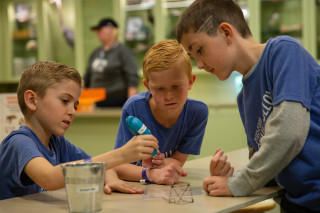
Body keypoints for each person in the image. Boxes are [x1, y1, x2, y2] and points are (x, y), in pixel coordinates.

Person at [176, 0, 320, 212]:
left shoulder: (284, 52)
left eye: (200, 50)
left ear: (226, 33)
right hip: (298, 202)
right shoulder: (244, 97)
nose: (200, 65)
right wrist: (229, 179)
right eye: (193, 56)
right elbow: (268, 168)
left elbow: (289, 132)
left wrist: (239, 183)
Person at [0, 61, 159, 200]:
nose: (72, 111)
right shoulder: (19, 142)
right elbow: (49, 178)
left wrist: (111, 180)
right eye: (65, 101)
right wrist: (122, 154)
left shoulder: (57, 142)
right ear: (32, 100)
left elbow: (97, 165)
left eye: (75, 105)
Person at [114, 39, 209, 185]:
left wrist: (158, 165)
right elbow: (117, 166)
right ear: (148, 86)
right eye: (159, 89)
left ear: (190, 81)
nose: (169, 96)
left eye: (176, 86)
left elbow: (178, 160)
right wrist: (150, 173)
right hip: (134, 188)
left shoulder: (197, 113)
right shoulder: (133, 108)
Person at [83, 18, 139, 107]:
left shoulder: (123, 52)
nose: (97, 33)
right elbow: (86, 79)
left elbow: (132, 78)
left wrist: (129, 105)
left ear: (111, 29)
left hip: (115, 103)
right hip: (93, 102)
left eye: (100, 30)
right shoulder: (95, 53)